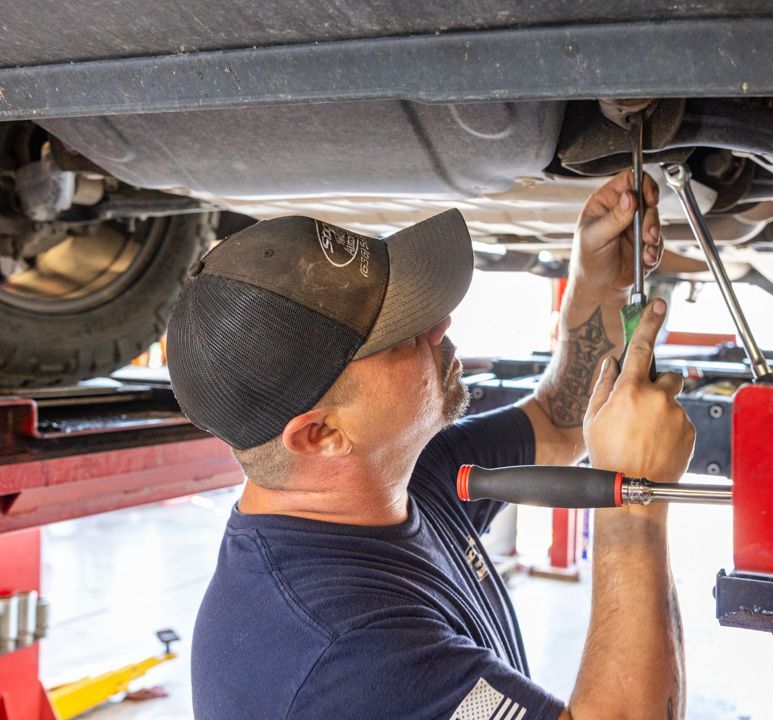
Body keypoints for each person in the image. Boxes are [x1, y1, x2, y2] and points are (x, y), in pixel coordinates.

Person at [167, 169, 696, 719]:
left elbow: (558, 421)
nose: (439, 326)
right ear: (321, 434)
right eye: (404, 335)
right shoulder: (346, 655)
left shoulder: (394, 475)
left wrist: (598, 284)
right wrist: (631, 499)